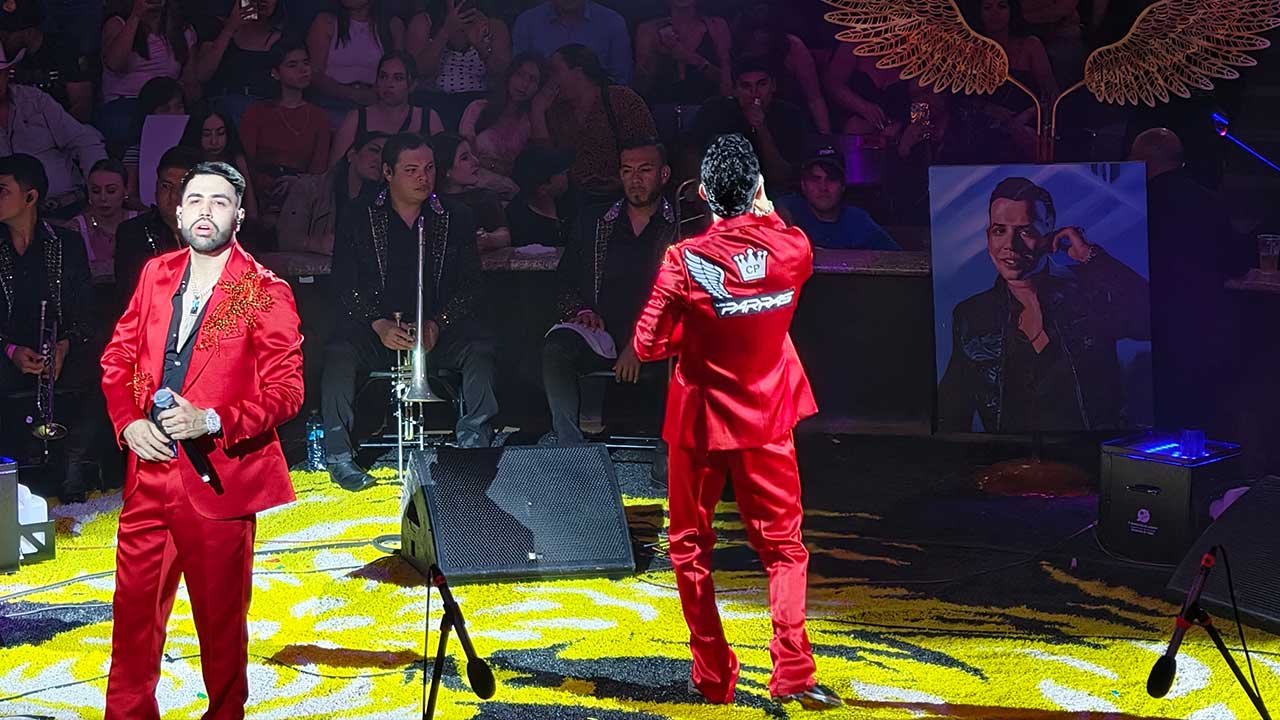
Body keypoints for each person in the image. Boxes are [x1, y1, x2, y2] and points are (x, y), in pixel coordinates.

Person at [630, 134, 841, 710]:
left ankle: (712, 674)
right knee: (784, 548)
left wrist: (700, 331)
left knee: (690, 548)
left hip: (700, 420)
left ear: (702, 193)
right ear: (759, 190)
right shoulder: (793, 247)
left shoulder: (683, 260)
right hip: (767, 415)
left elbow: (647, 345)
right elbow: (780, 242)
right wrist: (766, 217)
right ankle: (793, 670)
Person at [100, 161, 303, 719]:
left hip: (217, 481)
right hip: (148, 473)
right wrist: (128, 421)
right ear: (177, 211)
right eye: (194, 200)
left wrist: (212, 420)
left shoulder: (264, 290)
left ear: (239, 215)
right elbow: (118, 358)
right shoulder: (156, 274)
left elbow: (287, 392)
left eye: (219, 201)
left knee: (219, 626)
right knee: (133, 618)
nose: (204, 211)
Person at [322, 133, 498, 491]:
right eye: (411, 170)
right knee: (338, 353)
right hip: (376, 331)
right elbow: (342, 283)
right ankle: (339, 456)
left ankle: (474, 446)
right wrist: (377, 323)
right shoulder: (358, 215)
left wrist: (438, 323)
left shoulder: (456, 216)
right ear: (387, 172)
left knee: (480, 349)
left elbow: (472, 286)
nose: (423, 178)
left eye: (429, 169)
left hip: (435, 332)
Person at [937, 176, 1151, 433]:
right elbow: (952, 410)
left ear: (1050, 232)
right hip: (1009, 455)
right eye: (999, 231)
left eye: (1025, 231)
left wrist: (1090, 256)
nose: (1010, 245)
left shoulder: (1089, 293)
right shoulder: (972, 315)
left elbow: (1152, 320)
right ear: (988, 237)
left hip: (1088, 452)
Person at [544, 138, 676, 447]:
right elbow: (564, 279)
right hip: (602, 332)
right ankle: (569, 446)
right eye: (627, 171)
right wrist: (581, 310)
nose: (635, 179)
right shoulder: (596, 221)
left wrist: (639, 343)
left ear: (664, 174)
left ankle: (669, 452)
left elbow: (686, 298)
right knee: (556, 346)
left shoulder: (680, 224)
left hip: (659, 336)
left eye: (645, 170)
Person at [0, 154, 99, 503]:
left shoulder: (66, 243)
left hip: (56, 348)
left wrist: (63, 346)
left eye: (3, 190)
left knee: (105, 366)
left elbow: (84, 310)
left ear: (30, 197)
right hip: (6, 351)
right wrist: (10, 350)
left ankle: (74, 464)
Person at [1130, 128, 1242, 431]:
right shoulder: (1209, 201)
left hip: (1150, 325)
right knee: (1194, 418)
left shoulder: (1135, 205)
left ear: (1139, 161)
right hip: (1204, 325)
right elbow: (1236, 262)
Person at [531, 44, 656, 204]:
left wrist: (621, 181)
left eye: (555, 71)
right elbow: (545, 164)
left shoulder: (621, 100)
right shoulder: (556, 111)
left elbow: (650, 153)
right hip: (573, 201)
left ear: (578, 71)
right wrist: (537, 111)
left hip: (625, 197)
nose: (550, 80)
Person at [0, 48, 107, 221]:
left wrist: (96, 190)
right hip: (9, 219)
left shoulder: (34, 100)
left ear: (7, 74)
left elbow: (84, 140)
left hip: (68, 206)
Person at [240, 41, 332, 217]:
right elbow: (246, 163)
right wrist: (266, 185)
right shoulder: (257, 112)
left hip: (301, 197)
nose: (302, 70)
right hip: (259, 195)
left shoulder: (318, 116)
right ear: (276, 73)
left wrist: (297, 187)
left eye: (306, 63)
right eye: (292, 65)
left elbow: (318, 171)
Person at [691, 58, 810, 193]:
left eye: (762, 84)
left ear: (773, 86)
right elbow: (690, 150)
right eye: (746, 86)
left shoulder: (790, 115)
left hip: (774, 192)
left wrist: (761, 129)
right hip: (722, 190)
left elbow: (783, 176)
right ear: (735, 90)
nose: (755, 93)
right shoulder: (715, 110)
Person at [98, 0, 198, 147]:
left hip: (167, 101)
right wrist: (136, 16)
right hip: (127, 101)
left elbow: (190, 82)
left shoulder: (183, 30)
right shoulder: (117, 23)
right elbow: (114, 64)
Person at [277, 130, 387, 258]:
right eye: (374, 150)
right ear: (351, 155)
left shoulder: (385, 202)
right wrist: (317, 244)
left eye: (386, 157)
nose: (380, 159)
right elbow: (286, 239)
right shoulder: (309, 188)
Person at [115, 145, 202, 304]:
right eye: (166, 186)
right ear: (156, 187)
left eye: (183, 188)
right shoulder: (132, 233)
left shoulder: (220, 232)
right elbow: (130, 299)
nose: (174, 197)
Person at [407, 0, 511, 129]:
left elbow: (502, 75)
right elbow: (419, 72)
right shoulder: (423, 22)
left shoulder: (494, 25)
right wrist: (445, 32)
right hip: (433, 100)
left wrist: (481, 47)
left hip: (478, 102)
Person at [329, 52, 443, 167]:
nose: (389, 84)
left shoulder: (429, 118)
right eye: (383, 77)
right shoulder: (356, 118)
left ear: (412, 85)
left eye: (398, 78)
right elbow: (334, 170)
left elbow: (443, 166)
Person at [732, 1, 831, 134]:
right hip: (743, 126)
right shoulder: (734, 44)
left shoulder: (793, 47)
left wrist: (826, 137)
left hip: (788, 125)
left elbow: (814, 99)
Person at [776, 147, 898, 250]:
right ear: (803, 185)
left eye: (832, 179)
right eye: (815, 179)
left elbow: (897, 260)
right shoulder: (790, 209)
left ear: (843, 186)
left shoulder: (857, 220)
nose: (823, 187)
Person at [305, 0, 404, 123]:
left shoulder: (393, 25)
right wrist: (351, 93)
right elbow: (314, 72)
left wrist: (377, 94)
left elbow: (400, 71)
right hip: (332, 100)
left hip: (376, 101)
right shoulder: (326, 22)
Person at [0, 0, 94, 122]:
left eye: (7, 34)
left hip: (61, 126)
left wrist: (56, 130)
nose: (2, 38)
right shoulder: (3, 54)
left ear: (29, 33)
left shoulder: (65, 50)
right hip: (14, 128)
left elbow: (82, 105)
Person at [193, 0, 287, 120]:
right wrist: (230, 28)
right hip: (225, 109)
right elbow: (202, 74)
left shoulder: (285, 39)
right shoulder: (217, 30)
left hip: (267, 110)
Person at [459, 52, 543, 181]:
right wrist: (492, 166)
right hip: (472, 180)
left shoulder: (529, 123)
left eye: (532, 79)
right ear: (509, 75)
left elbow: (526, 166)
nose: (524, 84)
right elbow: (463, 153)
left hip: (509, 184)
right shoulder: (478, 108)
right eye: (520, 75)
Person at [634, 0, 732, 107]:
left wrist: (694, 60)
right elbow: (640, 88)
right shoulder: (648, 29)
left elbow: (727, 84)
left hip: (706, 109)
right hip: (662, 109)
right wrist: (656, 55)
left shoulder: (716, 26)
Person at [512, 0, 631, 85]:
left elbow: (621, 82)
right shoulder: (526, 23)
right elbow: (517, 81)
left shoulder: (614, 23)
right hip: (540, 107)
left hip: (598, 107)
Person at [430, 132, 513, 251]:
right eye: (465, 158)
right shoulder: (433, 203)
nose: (475, 161)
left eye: (472, 154)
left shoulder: (484, 197)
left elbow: (505, 236)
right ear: (447, 170)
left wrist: (488, 239)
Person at [179, 107, 260, 220]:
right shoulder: (184, 166)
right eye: (207, 134)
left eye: (220, 133)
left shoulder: (238, 163)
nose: (214, 141)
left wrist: (244, 170)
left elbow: (252, 214)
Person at [122, 76, 186, 212]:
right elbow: (129, 196)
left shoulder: (193, 147)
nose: (174, 114)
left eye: (179, 107)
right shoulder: (136, 152)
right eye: (165, 109)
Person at [70, 159, 137, 285]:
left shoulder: (140, 224)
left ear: (125, 191)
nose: (103, 198)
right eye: (96, 191)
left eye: (111, 191)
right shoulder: (75, 229)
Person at [508, 144, 572, 247]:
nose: (567, 175)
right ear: (543, 189)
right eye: (562, 173)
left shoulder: (571, 202)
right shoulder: (518, 220)